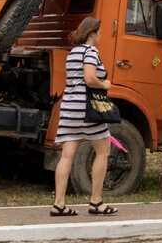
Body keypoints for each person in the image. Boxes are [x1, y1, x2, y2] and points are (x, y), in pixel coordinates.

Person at [50, 16, 118, 217]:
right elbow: (89, 78)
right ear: (92, 33)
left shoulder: (72, 53)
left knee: (67, 155)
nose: (100, 37)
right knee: (104, 150)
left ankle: (59, 204)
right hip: (87, 109)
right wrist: (104, 84)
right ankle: (96, 202)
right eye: (99, 33)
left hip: (69, 108)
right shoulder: (90, 51)